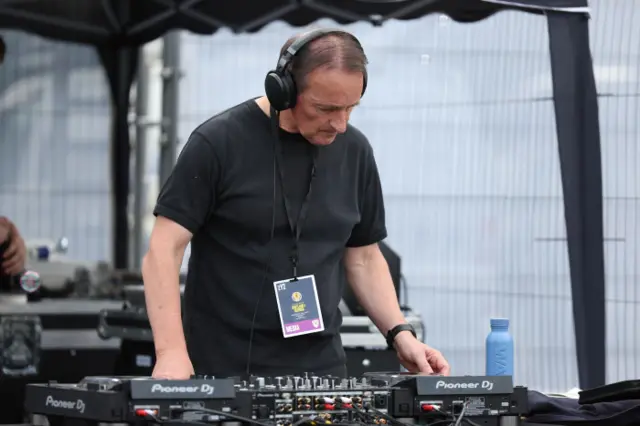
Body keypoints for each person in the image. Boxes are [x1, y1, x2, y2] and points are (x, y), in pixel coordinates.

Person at [142, 28, 450, 380]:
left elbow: (363, 256)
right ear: (284, 91)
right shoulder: (217, 144)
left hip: (321, 373)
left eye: (351, 108)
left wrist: (400, 334)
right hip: (220, 369)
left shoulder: (356, 151)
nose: (340, 124)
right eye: (326, 108)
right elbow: (163, 251)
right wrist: (170, 353)